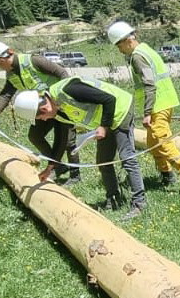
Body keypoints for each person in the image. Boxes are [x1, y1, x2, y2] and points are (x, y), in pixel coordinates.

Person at [13, 78, 147, 221]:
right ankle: (113, 199)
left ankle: (139, 204)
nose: (44, 121)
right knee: (103, 161)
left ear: (44, 108)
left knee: (127, 157)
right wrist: (51, 167)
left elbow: (109, 99)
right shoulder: (58, 112)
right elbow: (61, 141)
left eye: (42, 117)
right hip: (106, 119)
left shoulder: (68, 91)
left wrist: (104, 126)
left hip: (120, 110)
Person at [106, 21, 180, 192]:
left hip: (158, 104)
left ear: (127, 41)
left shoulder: (138, 56)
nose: (119, 50)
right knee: (153, 142)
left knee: (163, 142)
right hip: (165, 102)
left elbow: (150, 84)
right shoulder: (146, 49)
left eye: (118, 46)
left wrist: (147, 112)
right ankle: (167, 175)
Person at [0, 40, 80, 185]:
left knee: (67, 141)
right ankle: (57, 165)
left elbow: (62, 73)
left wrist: (62, 98)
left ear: (3, 57)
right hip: (40, 109)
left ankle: (75, 175)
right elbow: (6, 94)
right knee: (35, 136)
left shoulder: (34, 60)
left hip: (59, 106)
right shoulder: (11, 74)